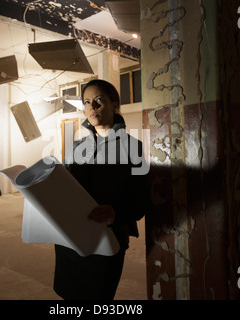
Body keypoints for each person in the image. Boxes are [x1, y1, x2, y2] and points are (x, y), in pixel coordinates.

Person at [53, 79, 150, 300]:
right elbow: (65, 189)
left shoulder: (134, 147)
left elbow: (141, 199)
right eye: (87, 102)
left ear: (115, 105)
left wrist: (116, 213)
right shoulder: (76, 147)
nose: (92, 107)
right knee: (70, 296)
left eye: (99, 100)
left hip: (107, 238)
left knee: (98, 298)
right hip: (70, 238)